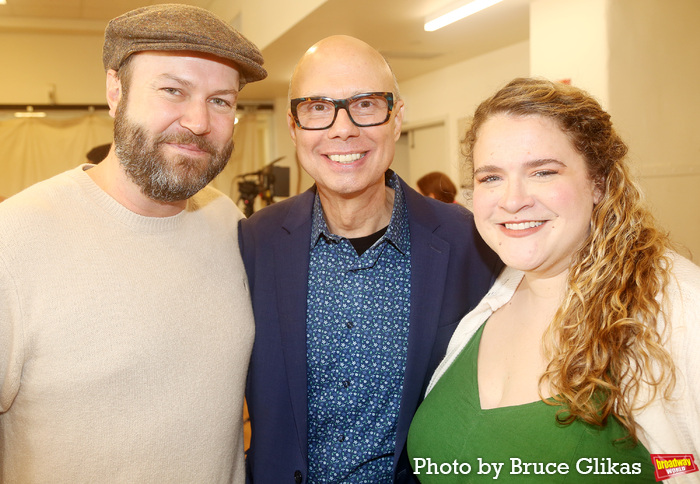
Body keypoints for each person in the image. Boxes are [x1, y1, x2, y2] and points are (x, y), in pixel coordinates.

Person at [0, 4, 266, 483]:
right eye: (172, 90)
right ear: (115, 92)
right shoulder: (14, 239)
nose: (198, 121)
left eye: (221, 101)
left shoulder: (229, 224)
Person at [408, 78, 700, 483]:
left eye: (543, 172)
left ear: (598, 182)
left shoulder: (677, 308)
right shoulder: (492, 297)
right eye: (491, 177)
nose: (512, 200)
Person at [239, 35, 502, 484]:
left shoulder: (471, 243)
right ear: (293, 126)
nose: (342, 129)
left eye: (364, 104)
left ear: (397, 118)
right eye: (318, 107)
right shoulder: (253, 243)